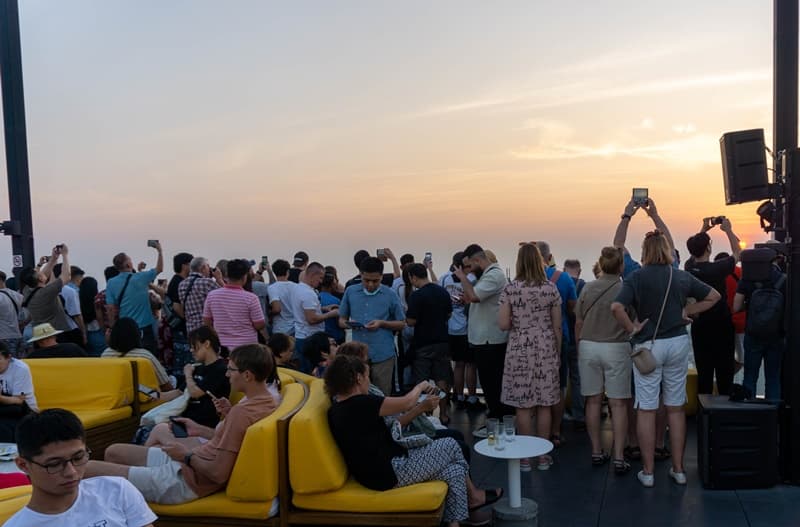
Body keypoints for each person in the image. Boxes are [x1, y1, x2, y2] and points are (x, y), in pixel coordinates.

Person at [85, 344, 278, 505]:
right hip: (191, 465)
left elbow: (218, 474)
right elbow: (235, 439)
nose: (227, 374)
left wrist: (185, 455)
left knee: (87, 469)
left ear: (247, 375)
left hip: (186, 480)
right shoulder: (267, 402)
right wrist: (226, 417)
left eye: (231, 369)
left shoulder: (242, 412)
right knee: (113, 451)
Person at [325, 354, 500, 527]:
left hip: (378, 471)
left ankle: (455, 523)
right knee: (452, 445)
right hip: (388, 473)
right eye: (367, 377)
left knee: (454, 471)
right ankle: (474, 496)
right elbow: (407, 402)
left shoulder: (338, 407)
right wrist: (421, 386)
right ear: (357, 378)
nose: (368, 382)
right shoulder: (360, 403)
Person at [611, 230, 721, 488]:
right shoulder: (681, 276)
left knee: (647, 408)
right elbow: (714, 296)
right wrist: (688, 310)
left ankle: (648, 473)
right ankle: (679, 469)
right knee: (675, 407)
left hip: (649, 346)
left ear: (645, 251)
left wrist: (632, 328)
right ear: (668, 251)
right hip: (678, 343)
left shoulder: (636, 277)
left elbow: (616, 307)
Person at [5, 409, 156, 527]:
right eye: (54, 464)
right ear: (23, 465)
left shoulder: (116, 491)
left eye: (78, 458)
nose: (71, 472)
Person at [498, 243, 561, 472]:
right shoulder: (550, 288)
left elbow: (503, 324)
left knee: (523, 405)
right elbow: (557, 327)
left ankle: (524, 459)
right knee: (545, 403)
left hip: (519, 348)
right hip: (545, 347)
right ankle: (543, 457)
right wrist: (557, 352)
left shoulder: (511, 289)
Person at [575, 247, 632, 474]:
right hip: (616, 348)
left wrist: (580, 347)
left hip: (589, 346)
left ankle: (597, 451)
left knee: (593, 402)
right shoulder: (624, 288)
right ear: (620, 266)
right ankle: (619, 457)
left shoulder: (588, 287)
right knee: (618, 404)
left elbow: (578, 320)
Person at [144, 326, 232, 447]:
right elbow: (179, 392)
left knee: (156, 435)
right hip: (183, 422)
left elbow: (196, 392)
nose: (191, 350)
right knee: (150, 437)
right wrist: (155, 395)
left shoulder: (220, 369)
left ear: (206, 344)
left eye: (194, 346)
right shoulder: (197, 368)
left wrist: (188, 375)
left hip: (202, 426)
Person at [454, 244, 511, 426]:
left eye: (469, 266)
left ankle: (497, 420)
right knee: (488, 382)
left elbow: (476, 296)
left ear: (477, 261)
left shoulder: (494, 275)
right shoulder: (487, 276)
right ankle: (496, 418)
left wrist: (462, 278)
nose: (468, 271)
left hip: (491, 340)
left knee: (492, 383)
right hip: (484, 339)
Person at [684, 217, 742, 396]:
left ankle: (704, 419)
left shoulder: (689, 268)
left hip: (700, 326)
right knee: (725, 374)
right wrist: (728, 230)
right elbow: (737, 253)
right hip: (721, 324)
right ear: (709, 248)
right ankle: (723, 417)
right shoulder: (718, 268)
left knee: (704, 374)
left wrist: (703, 229)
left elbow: (695, 251)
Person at [339, 257, 405, 395]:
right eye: (366, 280)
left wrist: (382, 323)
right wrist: (351, 325)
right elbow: (341, 320)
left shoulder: (390, 294)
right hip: (357, 356)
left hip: (383, 354)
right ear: (360, 274)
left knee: (382, 394)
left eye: (375, 281)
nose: (370, 284)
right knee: (357, 393)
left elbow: (402, 323)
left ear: (381, 276)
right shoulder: (351, 291)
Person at [533, 241, 578, 445]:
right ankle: (556, 431)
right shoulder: (564, 278)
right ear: (549, 256)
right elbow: (572, 308)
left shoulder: (521, 282)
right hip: (558, 339)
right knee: (558, 386)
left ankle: (534, 433)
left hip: (531, 343)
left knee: (534, 388)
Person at [733, 251, 786, 400]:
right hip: (776, 335)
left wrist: (749, 307)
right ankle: (773, 418)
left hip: (753, 333)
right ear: (776, 260)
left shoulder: (747, 279)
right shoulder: (784, 279)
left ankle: (750, 415)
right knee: (773, 378)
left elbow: (736, 307)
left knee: (750, 376)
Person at [406, 263, 453, 424]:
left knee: (422, 381)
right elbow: (449, 314)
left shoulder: (416, 296)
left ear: (412, 277)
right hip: (442, 342)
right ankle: (444, 414)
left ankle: (426, 417)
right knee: (442, 379)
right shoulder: (442, 292)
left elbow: (411, 321)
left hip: (423, 343)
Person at [440, 253, 482, 410]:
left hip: (451, 328)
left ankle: (458, 395)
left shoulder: (444, 279)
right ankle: (471, 397)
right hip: (468, 327)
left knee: (458, 364)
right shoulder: (471, 280)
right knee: (471, 365)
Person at [106, 242, 164, 353]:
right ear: (128, 265)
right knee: (148, 357)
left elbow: (111, 309)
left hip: (125, 327)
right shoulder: (141, 277)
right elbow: (159, 269)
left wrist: (114, 328)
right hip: (144, 326)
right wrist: (159, 251)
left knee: (128, 356)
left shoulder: (111, 283)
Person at [203, 258, 267, 350]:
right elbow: (259, 324)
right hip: (247, 347)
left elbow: (207, 322)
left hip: (222, 347)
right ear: (244, 276)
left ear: (227, 275)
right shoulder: (251, 298)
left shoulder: (212, 295)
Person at [291, 262, 339, 373]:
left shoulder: (297, 288)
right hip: (310, 337)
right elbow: (311, 319)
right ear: (312, 275)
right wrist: (332, 314)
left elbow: (305, 310)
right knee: (311, 370)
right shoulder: (308, 293)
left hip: (301, 334)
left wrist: (323, 309)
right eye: (320, 278)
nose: (321, 281)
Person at [102, 317, 174, 392]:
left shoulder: (106, 354)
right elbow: (166, 386)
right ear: (137, 335)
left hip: (117, 396)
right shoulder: (146, 356)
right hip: (145, 399)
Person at [20, 244, 73, 338]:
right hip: (56, 334)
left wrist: (54, 258)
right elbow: (66, 276)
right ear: (40, 278)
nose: (41, 271)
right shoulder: (46, 292)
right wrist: (65, 255)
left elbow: (41, 275)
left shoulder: (27, 291)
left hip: (39, 335)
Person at [164, 252, 194, 379]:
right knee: (185, 360)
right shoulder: (179, 282)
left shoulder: (175, 280)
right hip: (181, 328)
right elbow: (177, 306)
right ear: (184, 265)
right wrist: (188, 319)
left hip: (177, 327)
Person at [0, 342, 37, 441]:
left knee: (4, 429)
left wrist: (1, 398)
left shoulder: (20, 369)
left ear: (9, 358)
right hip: (4, 409)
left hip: (24, 411)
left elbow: (19, 401)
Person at [180, 257, 224, 336]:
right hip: (207, 330)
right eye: (208, 266)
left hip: (190, 329)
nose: (209, 270)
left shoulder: (182, 284)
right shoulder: (207, 282)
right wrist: (219, 279)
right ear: (203, 268)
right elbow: (228, 296)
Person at [267, 259, 297, 336]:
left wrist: (269, 313)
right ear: (288, 272)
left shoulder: (272, 288)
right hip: (296, 328)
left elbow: (277, 309)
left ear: (274, 272)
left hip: (280, 329)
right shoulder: (296, 286)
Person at [0, 270, 25, 358]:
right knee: (19, 364)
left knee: (7, 366)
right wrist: (24, 323)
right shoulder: (17, 295)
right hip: (18, 335)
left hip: (3, 337)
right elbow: (27, 313)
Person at [79, 277, 105, 356]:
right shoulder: (97, 299)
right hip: (99, 331)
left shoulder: (79, 300)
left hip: (86, 333)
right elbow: (100, 317)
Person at [320, 266, 345, 344]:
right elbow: (340, 321)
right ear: (332, 285)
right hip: (336, 336)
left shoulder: (316, 297)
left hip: (321, 335)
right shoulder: (336, 300)